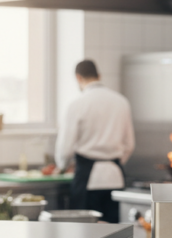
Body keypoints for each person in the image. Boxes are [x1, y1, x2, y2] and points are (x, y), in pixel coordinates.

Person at [55, 60, 135, 223]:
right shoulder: (121, 101)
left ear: (78, 78)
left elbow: (65, 149)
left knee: (85, 231)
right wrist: (113, 161)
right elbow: (129, 145)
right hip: (115, 176)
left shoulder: (76, 104)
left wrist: (62, 166)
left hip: (87, 178)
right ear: (99, 75)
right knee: (114, 230)